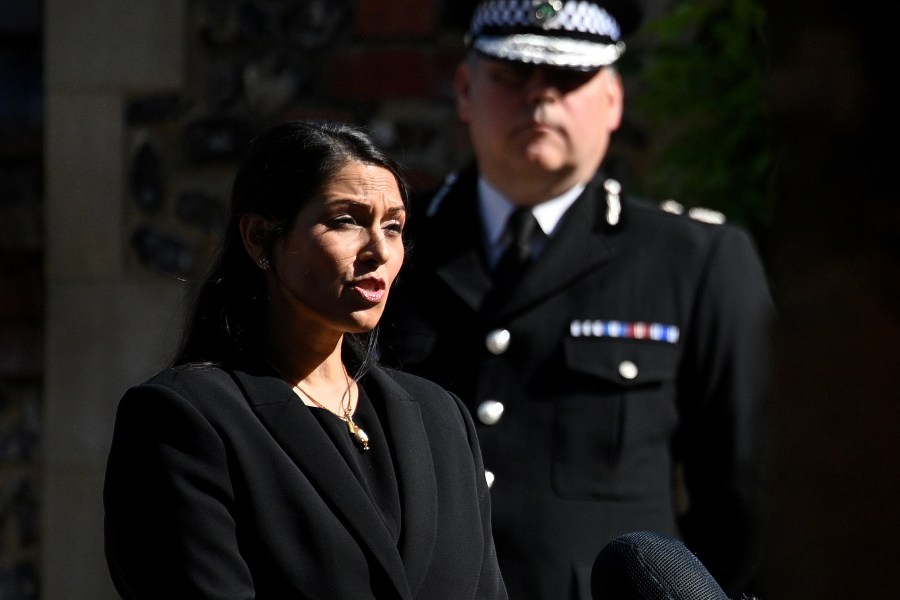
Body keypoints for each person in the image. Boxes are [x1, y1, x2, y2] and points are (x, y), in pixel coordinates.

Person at [377, 1, 774, 599]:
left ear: (614, 100)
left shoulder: (696, 260)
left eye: (569, 78)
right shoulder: (387, 252)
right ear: (464, 89)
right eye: (512, 75)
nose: (541, 99)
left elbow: (751, 495)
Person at [103, 120, 508, 600]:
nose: (378, 251)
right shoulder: (187, 420)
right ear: (258, 238)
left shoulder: (443, 420)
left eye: (394, 226)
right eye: (346, 220)